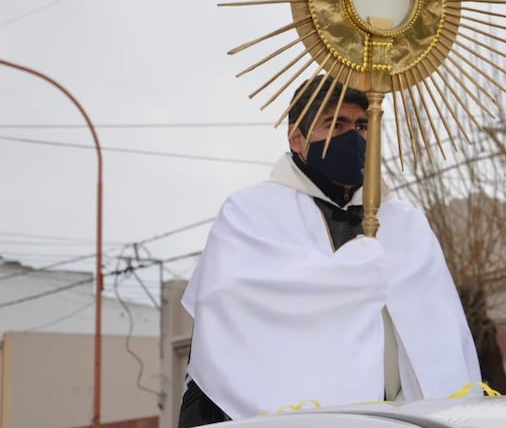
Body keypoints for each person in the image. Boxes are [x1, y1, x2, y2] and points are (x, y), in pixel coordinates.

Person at [178, 75, 482, 425]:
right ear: (297, 138)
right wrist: (360, 268)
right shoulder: (250, 211)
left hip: (407, 416)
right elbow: (238, 309)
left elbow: (443, 330)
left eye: (362, 125)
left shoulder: (406, 223)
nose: (352, 136)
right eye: (335, 123)